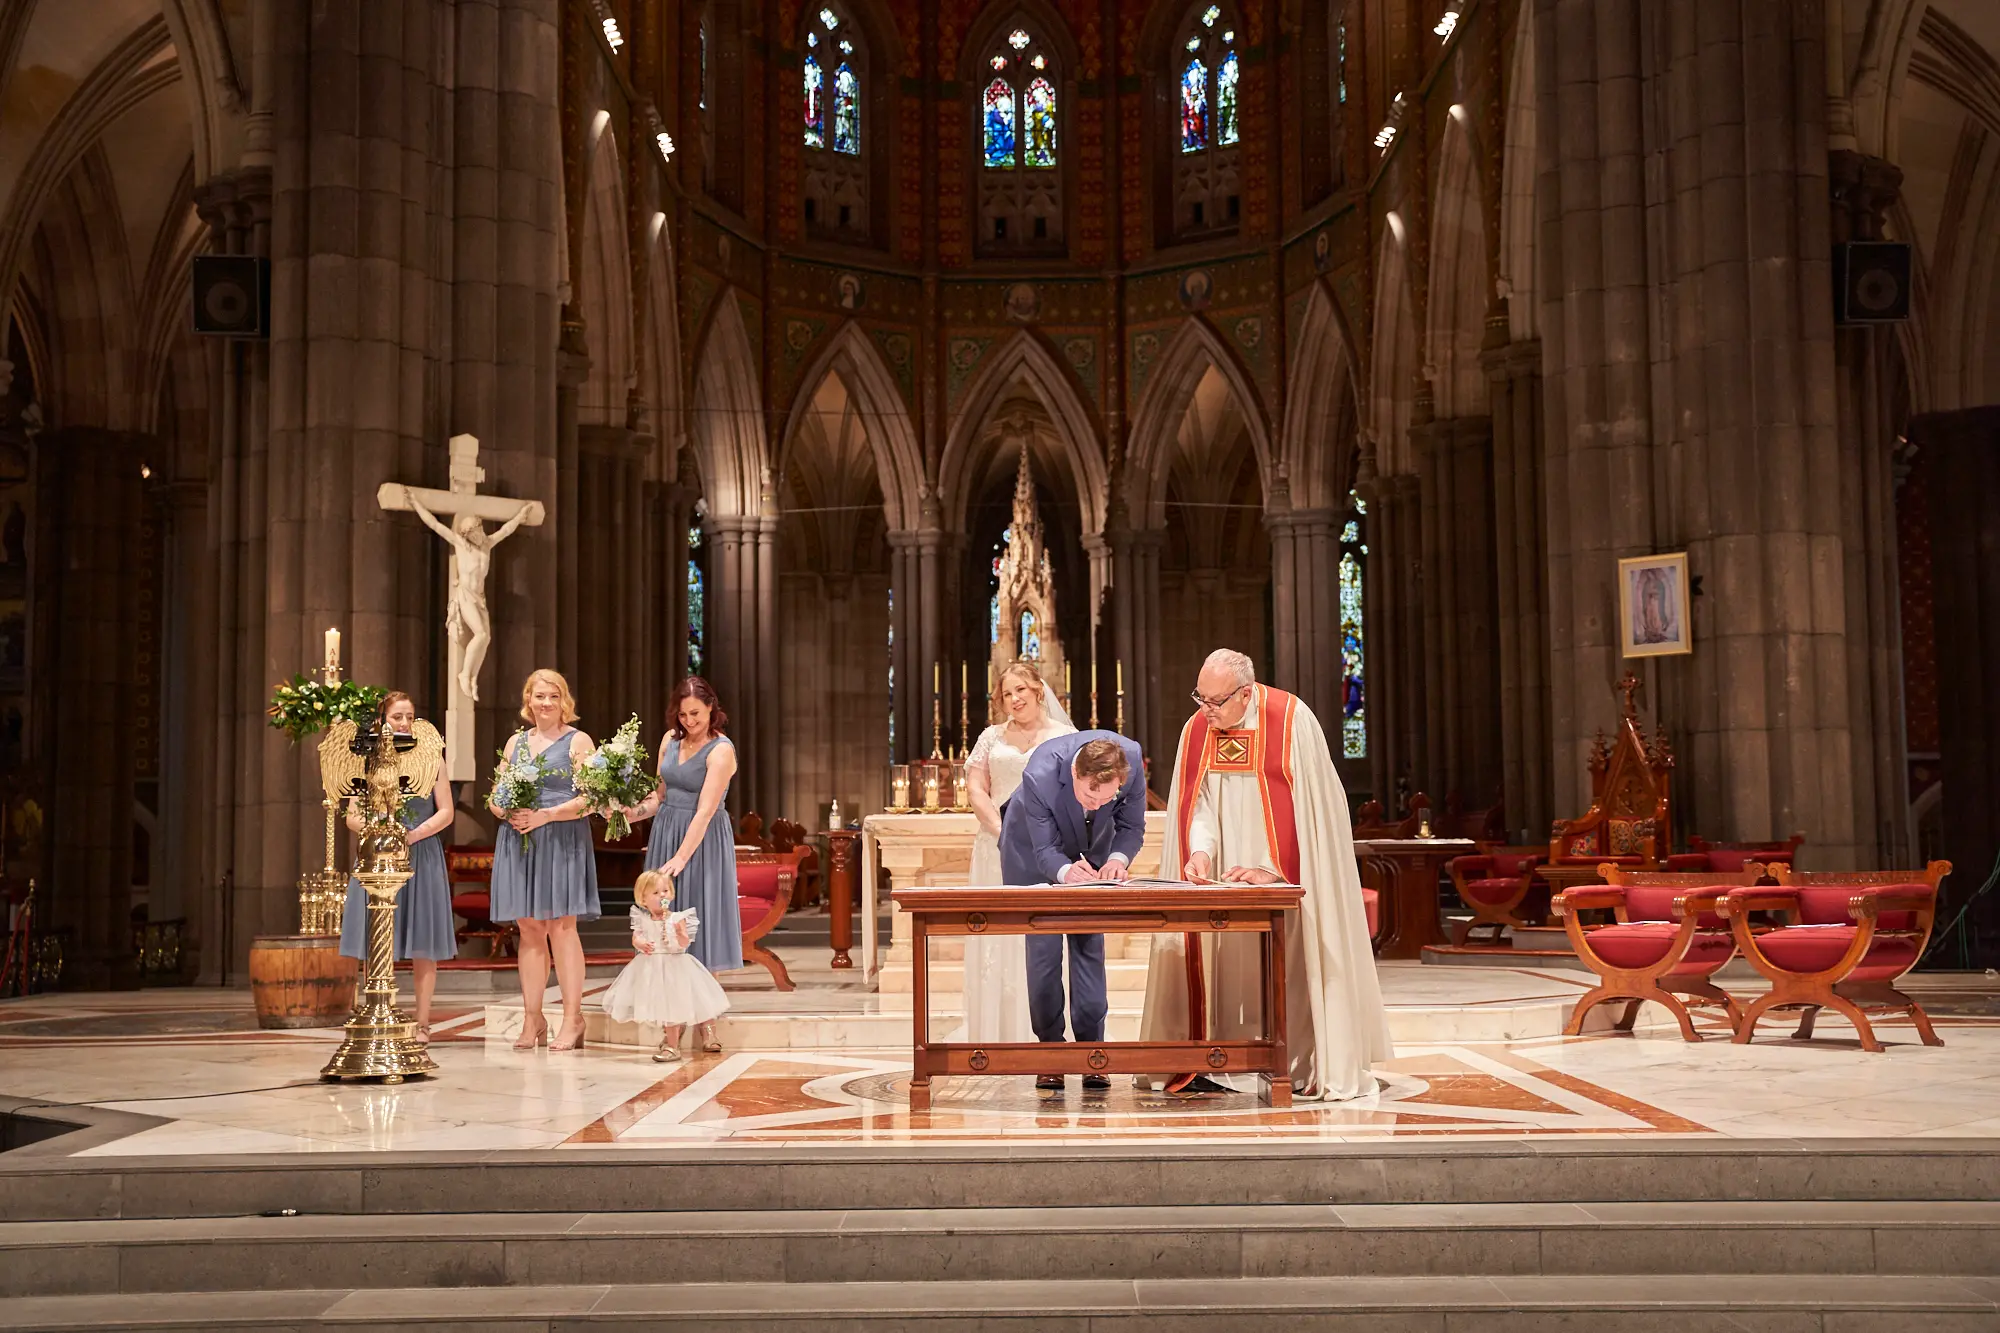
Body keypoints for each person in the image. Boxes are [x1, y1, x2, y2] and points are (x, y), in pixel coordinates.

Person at [1138, 648, 1391, 1100]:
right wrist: (1199, 853)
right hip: (1225, 879)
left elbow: (1313, 815)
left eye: (1216, 702)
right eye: (1201, 699)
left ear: (1247, 692)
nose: (1207, 711)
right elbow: (1201, 805)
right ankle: (1222, 1060)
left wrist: (1273, 871)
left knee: (1290, 963)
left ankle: (1295, 1062)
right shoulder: (1197, 730)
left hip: (1283, 878)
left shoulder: (1292, 722)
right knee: (1223, 963)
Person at [997, 730, 1146, 1091]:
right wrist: (1065, 872)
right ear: (1074, 775)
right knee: (1045, 954)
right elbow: (1045, 848)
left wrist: (1116, 859)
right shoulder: (1040, 775)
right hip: (1032, 850)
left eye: (1106, 797)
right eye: (1088, 796)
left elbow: (1131, 825)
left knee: (1088, 946)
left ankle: (1093, 1053)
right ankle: (1051, 1054)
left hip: (1093, 848)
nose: (1096, 804)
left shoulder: (1132, 759)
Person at [626, 676, 741, 1054]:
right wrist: (628, 813)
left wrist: (681, 857)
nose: (690, 720)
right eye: (683, 713)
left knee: (698, 926)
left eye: (696, 713)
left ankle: (707, 1024)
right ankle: (670, 1026)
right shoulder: (669, 742)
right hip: (666, 831)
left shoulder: (720, 751)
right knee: (663, 930)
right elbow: (659, 796)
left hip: (702, 842)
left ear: (711, 709)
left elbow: (706, 811)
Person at [963, 661, 1075, 1043]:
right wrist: (1002, 831)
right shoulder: (991, 737)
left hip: (1046, 850)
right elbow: (977, 788)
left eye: (1021, 691)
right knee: (998, 936)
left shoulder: (1063, 736)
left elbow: (1075, 791)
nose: (1014, 699)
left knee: (1040, 938)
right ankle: (997, 1033)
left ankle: (1043, 1032)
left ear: (1038, 690)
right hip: (995, 846)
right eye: (1007, 694)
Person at [489, 668, 600, 1052]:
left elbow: (592, 799)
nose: (546, 703)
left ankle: (572, 1018)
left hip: (561, 837)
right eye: (539, 696)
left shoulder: (578, 741)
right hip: (520, 840)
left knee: (561, 927)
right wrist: (505, 811)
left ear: (564, 700)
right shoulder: (515, 743)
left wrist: (547, 815)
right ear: (528, 700)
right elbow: (495, 797)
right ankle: (532, 1018)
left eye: (554, 696)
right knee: (530, 928)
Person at [338, 691, 456, 1042]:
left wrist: (412, 835)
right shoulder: (366, 762)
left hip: (421, 853)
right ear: (382, 720)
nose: (404, 723)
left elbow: (446, 811)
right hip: (378, 855)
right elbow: (352, 816)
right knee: (375, 939)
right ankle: (376, 1011)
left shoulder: (431, 758)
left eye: (409, 716)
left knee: (423, 939)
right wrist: (381, 831)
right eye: (396, 717)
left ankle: (421, 1022)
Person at [600, 868, 732, 1063]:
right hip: (653, 968)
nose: (662, 895)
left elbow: (684, 943)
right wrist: (640, 943)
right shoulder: (642, 918)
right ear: (643, 899)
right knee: (666, 1008)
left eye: (665, 891)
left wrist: (679, 933)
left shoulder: (677, 918)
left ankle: (708, 1033)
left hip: (676, 967)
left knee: (696, 1001)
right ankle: (672, 1045)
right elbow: (635, 937)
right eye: (656, 892)